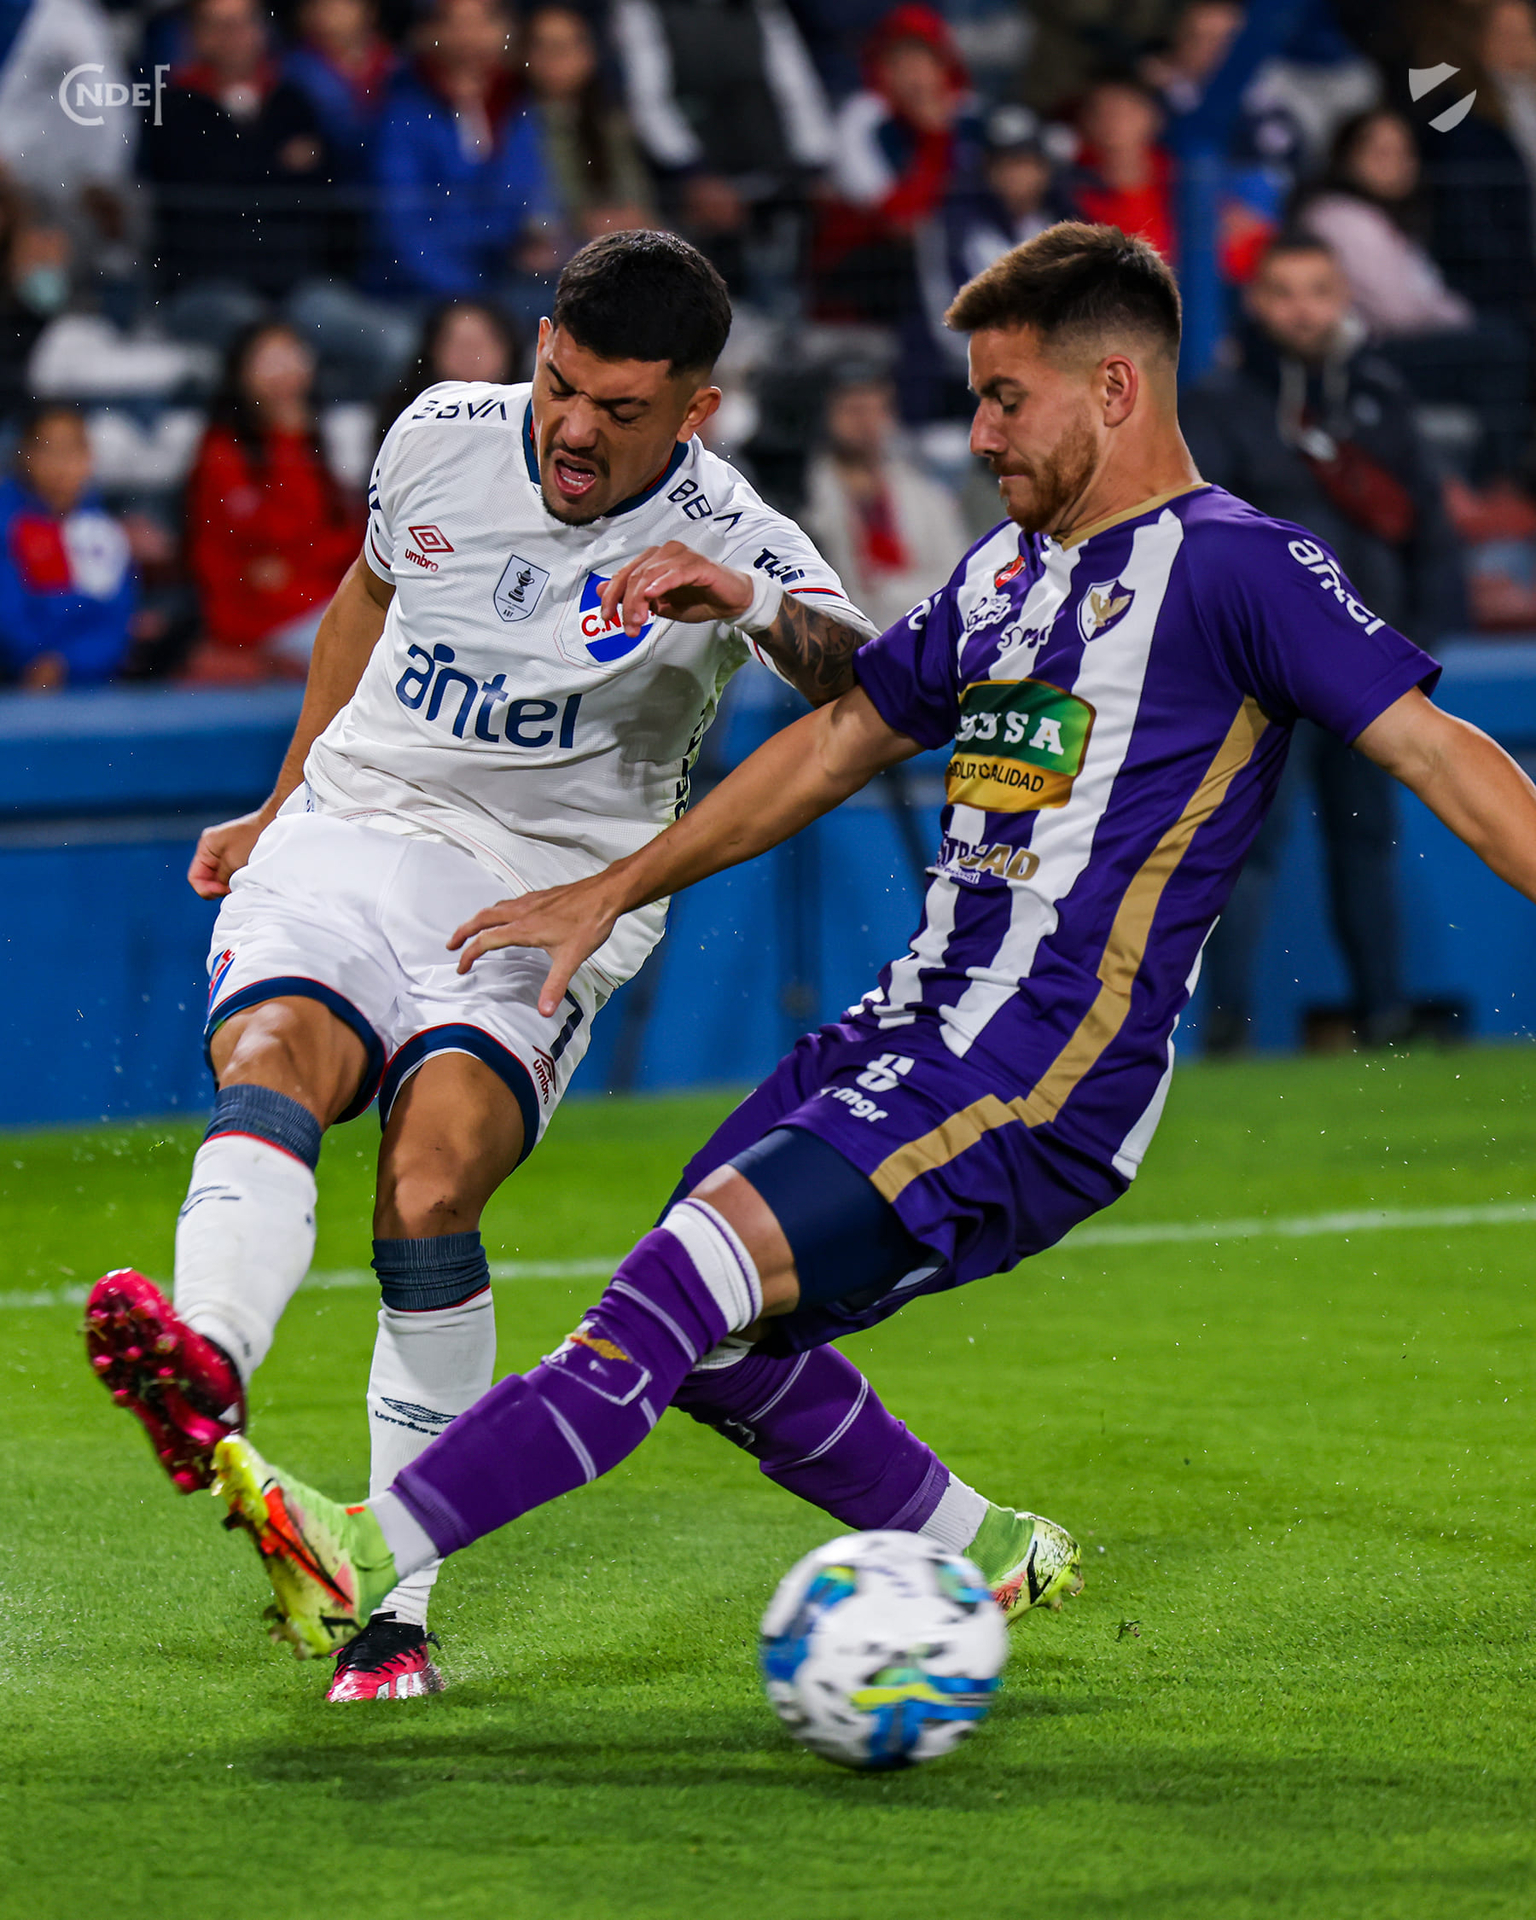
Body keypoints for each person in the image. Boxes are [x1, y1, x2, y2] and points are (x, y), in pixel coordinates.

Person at [204, 223, 1536, 1678]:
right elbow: (841, 738)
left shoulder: (1239, 569)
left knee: (671, 1295)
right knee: (714, 1347)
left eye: (1006, 400)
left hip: (1044, 1062)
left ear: (1113, 388)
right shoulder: (1005, 573)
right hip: (905, 1029)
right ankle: (983, 1548)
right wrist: (621, 879)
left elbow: (1441, 752)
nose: (980, 434)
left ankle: (365, 1554)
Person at [86, 233, 1078, 1703]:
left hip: (548, 899)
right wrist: (284, 799)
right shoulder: (439, 431)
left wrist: (747, 603)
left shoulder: (729, 528)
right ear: (540, 348)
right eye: (560, 385)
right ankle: (209, 1364)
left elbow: (877, 691)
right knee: (274, 1054)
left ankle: (390, 1612)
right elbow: (364, 602)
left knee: (433, 1181)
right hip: (355, 829)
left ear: (695, 410)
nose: (571, 428)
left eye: (620, 412)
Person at [1181, 233, 1466, 1051]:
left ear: (1343, 299)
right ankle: (1226, 1032)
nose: (1303, 310)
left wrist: (1417, 643)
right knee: (1247, 845)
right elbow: (1198, 534)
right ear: (1257, 303)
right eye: (1284, 292)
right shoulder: (1219, 402)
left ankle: (1385, 1017)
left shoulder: (1380, 395)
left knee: (1367, 839)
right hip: (1257, 672)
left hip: (1368, 668)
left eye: (1318, 291)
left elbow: (1431, 530)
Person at [183, 321, 363, 682]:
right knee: (364, 651)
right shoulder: (223, 450)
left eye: (291, 356)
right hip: (255, 609)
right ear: (242, 372)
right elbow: (268, 533)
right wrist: (285, 439)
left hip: (318, 593)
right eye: (269, 360)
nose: (283, 370)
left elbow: (343, 535)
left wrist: (300, 563)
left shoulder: (317, 438)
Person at [368, 0, 554, 313]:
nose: (470, 36)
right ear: (430, 32)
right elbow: (403, 227)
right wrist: (471, 298)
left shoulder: (516, 103)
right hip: (419, 294)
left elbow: (531, 199)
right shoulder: (403, 109)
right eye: (456, 23)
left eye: (483, 22)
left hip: (509, 283)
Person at [803, 364, 968, 632]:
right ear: (829, 415)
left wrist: (888, 591)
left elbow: (958, 579)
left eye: (875, 410)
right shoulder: (807, 497)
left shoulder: (926, 494)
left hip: (926, 631)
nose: (864, 422)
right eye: (853, 410)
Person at [0, 404, 134, 689]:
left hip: (89, 686)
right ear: (25, 455)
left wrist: (68, 662)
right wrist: (33, 660)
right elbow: (7, 610)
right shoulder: (7, 525)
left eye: (72, 450)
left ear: (89, 458)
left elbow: (115, 620)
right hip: (15, 683)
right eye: (49, 450)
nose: (61, 465)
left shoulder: (105, 532)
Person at [523, 4, 655, 250]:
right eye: (544, 46)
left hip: (614, 241)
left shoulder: (610, 121)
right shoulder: (515, 123)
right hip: (558, 248)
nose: (555, 58)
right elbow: (537, 212)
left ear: (589, 55)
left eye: (566, 46)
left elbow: (637, 197)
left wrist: (626, 218)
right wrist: (582, 222)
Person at [374, 297, 521, 448]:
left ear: (508, 349)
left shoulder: (528, 413)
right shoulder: (405, 415)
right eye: (459, 344)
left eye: (480, 344)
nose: (470, 355)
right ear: (433, 350)